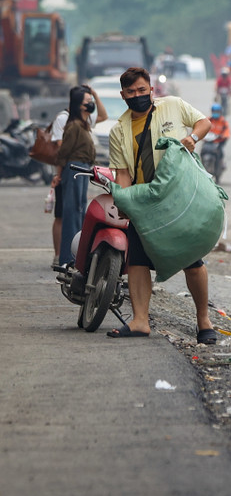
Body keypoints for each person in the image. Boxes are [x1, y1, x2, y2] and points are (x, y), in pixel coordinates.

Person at [106, 67, 214, 342]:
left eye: (142, 90)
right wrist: (126, 202)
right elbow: (122, 174)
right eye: (131, 92)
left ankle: (204, 321)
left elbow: (204, 122)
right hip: (144, 201)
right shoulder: (119, 130)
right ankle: (141, 321)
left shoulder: (173, 106)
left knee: (191, 259)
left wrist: (193, 138)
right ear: (123, 95)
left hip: (177, 197)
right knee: (138, 261)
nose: (137, 95)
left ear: (151, 90)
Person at [49, 84, 107, 265]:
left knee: (80, 212)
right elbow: (63, 153)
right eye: (87, 101)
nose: (90, 104)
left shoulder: (85, 123)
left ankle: (78, 256)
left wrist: (95, 95)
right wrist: (58, 175)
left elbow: (103, 115)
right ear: (79, 105)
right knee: (72, 215)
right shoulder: (73, 125)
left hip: (82, 170)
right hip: (73, 169)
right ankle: (67, 258)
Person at [207, 102, 231, 168]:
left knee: (220, 152)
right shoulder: (208, 120)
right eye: (214, 111)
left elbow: (227, 131)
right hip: (208, 141)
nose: (215, 113)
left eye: (217, 111)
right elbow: (201, 127)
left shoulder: (223, 121)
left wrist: (224, 136)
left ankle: (220, 164)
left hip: (219, 141)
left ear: (220, 112)